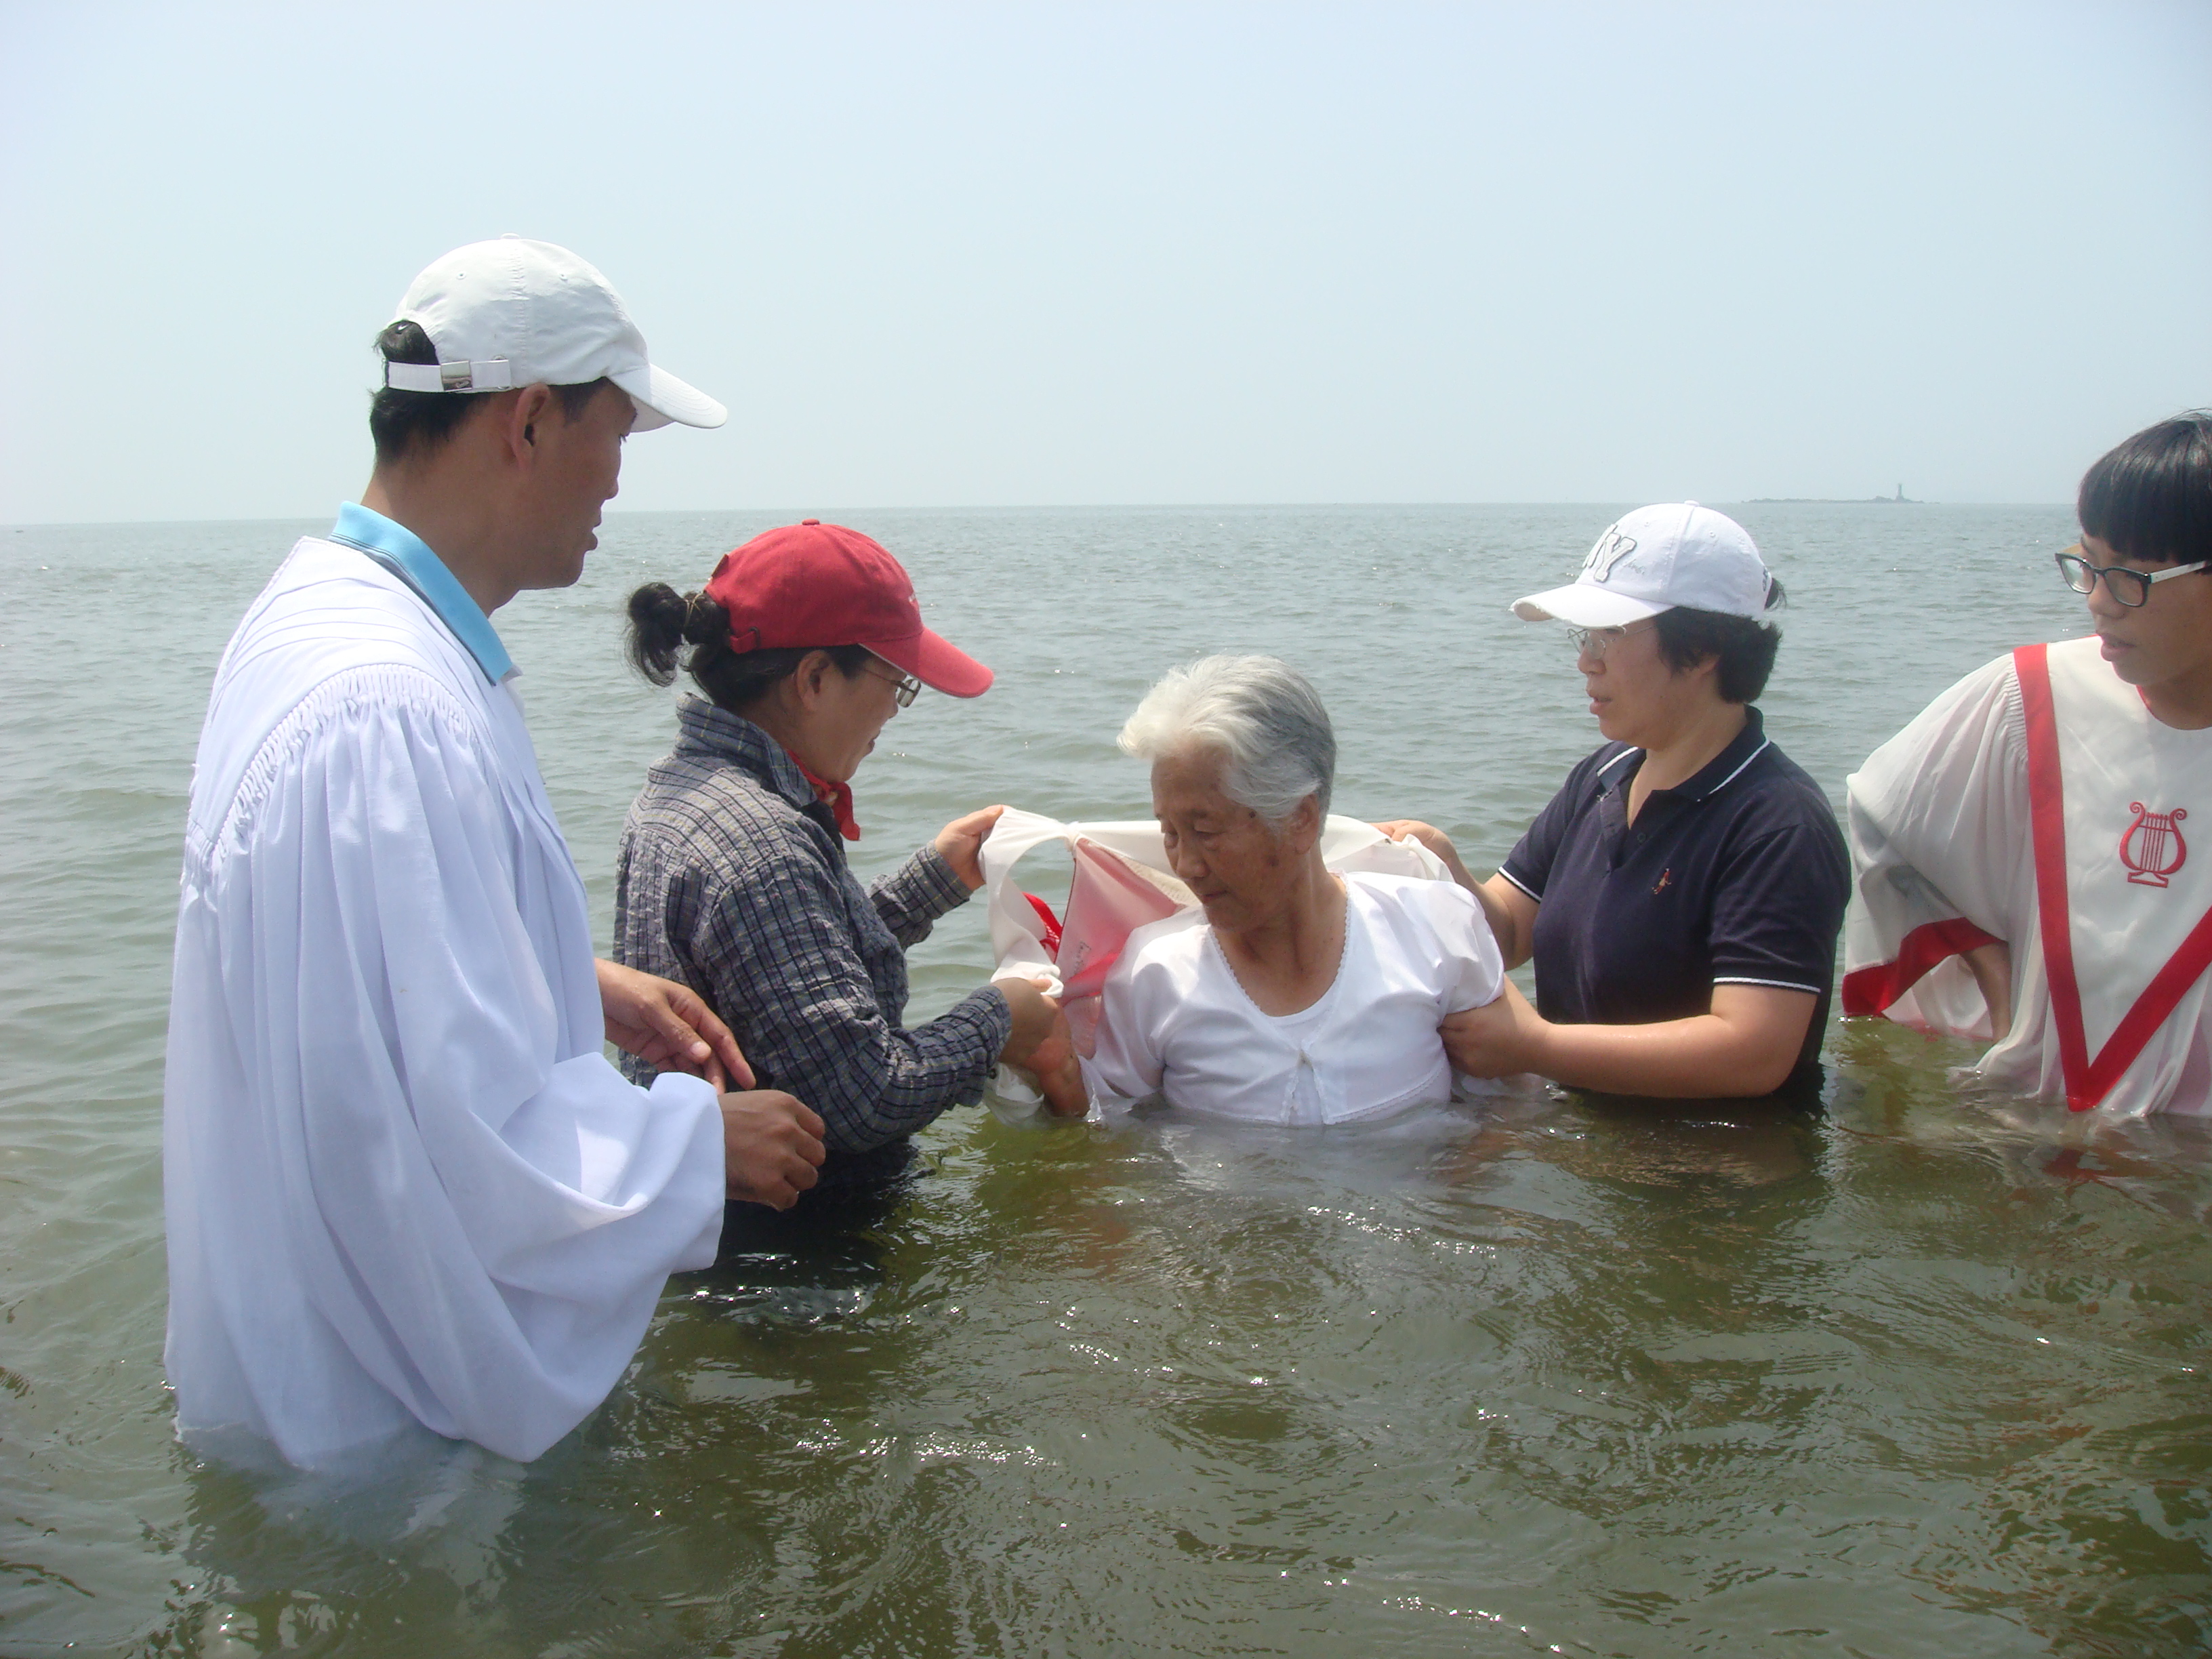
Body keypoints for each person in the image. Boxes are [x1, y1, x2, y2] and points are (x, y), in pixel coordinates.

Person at [164, 237, 828, 1472]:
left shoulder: (318, 621)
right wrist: (700, 1147)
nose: (617, 481)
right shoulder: (385, 704)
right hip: (377, 1436)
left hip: (292, 1366)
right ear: (527, 421)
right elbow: (444, 1144)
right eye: (615, 433)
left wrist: (565, 976)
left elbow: (349, 986)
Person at [613, 520, 1084, 1189]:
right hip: (800, 1240)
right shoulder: (764, 840)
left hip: (702, 1217)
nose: (894, 711)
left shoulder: (679, 793)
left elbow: (782, 967)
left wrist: (928, 885)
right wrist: (1000, 1017)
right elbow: (862, 1098)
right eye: (897, 683)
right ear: (813, 679)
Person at [1381, 504, 1850, 1099]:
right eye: (1586, 636)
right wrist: (1443, 868)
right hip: (1586, 1129)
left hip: (1709, 1153)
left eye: (1612, 634)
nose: (1587, 660)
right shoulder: (1605, 776)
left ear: (1704, 648)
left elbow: (1754, 1051)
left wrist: (1535, 1047)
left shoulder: (1778, 825)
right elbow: (1510, 933)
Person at [1845, 413, 2212, 1117]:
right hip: (2037, 1128)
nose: (2099, 602)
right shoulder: (2035, 696)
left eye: (2131, 577)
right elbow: (1888, 820)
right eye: (2089, 565)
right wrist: (2002, 990)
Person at [1078, 655, 1504, 1120]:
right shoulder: (1154, 974)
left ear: (1300, 819)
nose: (1186, 865)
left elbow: (1507, 1108)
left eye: (1205, 832)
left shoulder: (1434, 929)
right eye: (1170, 833)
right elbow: (1114, 1127)